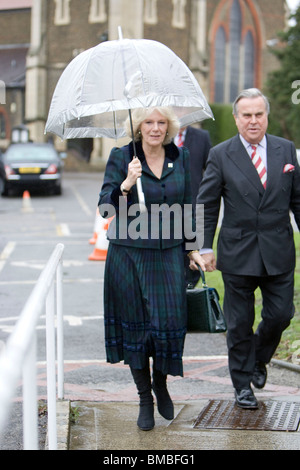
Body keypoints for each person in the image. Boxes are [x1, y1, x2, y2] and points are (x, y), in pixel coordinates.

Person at [98, 107, 205, 430]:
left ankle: (161, 382)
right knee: (136, 326)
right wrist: (128, 183)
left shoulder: (181, 157)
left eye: (161, 123)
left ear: (169, 127)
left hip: (168, 254)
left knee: (167, 323)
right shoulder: (121, 157)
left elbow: (190, 201)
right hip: (128, 254)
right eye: (149, 122)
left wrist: (193, 247)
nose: (156, 128)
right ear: (139, 127)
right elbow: (105, 208)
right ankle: (145, 397)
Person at [196, 88, 300, 409]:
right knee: (239, 323)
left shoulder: (286, 150)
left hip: (278, 250)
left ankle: (258, 358)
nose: (253, 121)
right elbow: (207, 203)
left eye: (259, 114)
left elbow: (297, 200)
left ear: (266, 116)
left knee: (282, 313)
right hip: (237, 252)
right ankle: (242, 385)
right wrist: (203, 246)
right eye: (247, 115)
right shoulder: (220, 154)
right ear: (236, 118)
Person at [175, 126, 211, 286]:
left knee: (192, 253)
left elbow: (210, 170)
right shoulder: (161, 135)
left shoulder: (202, 136)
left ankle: (189, 288)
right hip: (167, 207)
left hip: (194, 204)